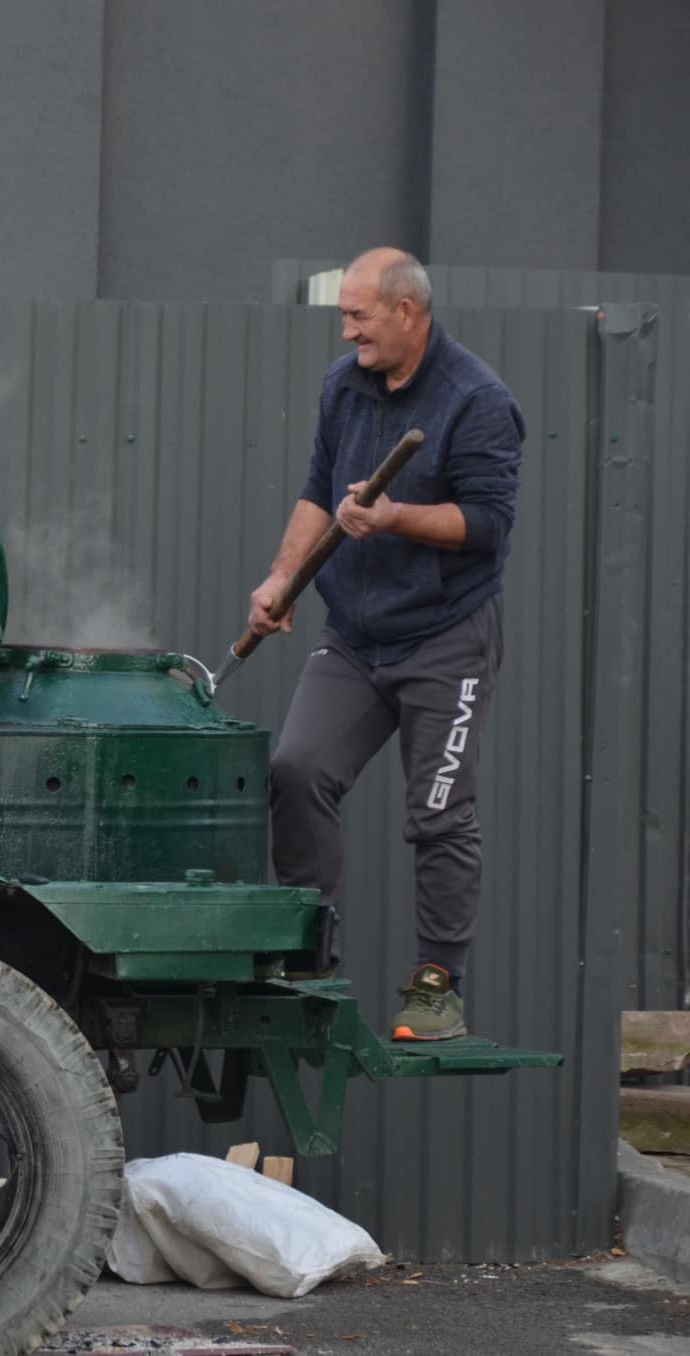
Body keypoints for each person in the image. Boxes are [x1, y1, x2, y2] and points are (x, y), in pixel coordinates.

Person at [248, 247, 523, 1042]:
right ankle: (313, 963)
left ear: (408, 312)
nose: (347, 333)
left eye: (358, 316)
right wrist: (281, 579)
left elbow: (488, 526)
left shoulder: (478, 401)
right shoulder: (347, 387)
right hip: (356, 634)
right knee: (297, 770)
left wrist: (395, 515)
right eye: (344, 316)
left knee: (438, 814)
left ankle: (436, 991)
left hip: (446, 638)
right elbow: (317, 488)